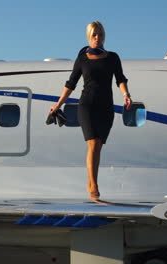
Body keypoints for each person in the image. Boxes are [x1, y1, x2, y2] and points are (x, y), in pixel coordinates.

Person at [49, 21, 132, 200]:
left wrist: (126, 94)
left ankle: (91, 181)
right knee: (93, 143)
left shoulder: (112, 58)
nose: (97, 38)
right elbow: (71, 83)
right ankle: (93, 185)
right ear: (89, 36)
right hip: (87, 105)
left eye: (100, 34)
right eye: (94, 34)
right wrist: (59, 104)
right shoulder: (82, 58)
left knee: (98, 146)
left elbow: (120, 79)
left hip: (106, 106)